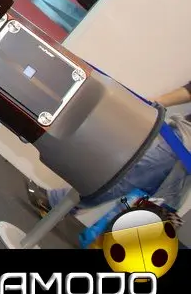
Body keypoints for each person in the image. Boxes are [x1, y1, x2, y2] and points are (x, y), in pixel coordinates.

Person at [27, 81, 191, 215]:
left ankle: (57, 203)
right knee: (144, 192)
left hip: (184, 146)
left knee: (129, 177)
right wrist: (155, 103)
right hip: (183, 138)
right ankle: (61, 206)